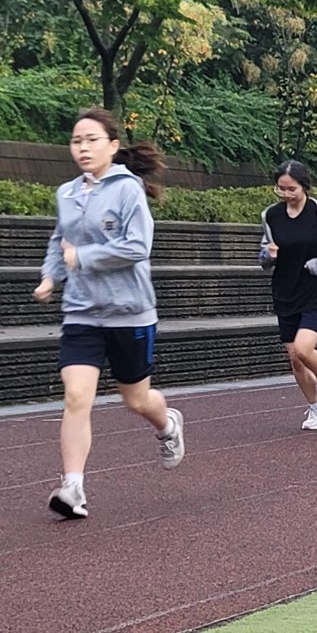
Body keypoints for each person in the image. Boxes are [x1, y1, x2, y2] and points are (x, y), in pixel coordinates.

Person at [33, 107, 184, 520]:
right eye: (76, 141)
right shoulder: (66, 193)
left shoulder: (128, 190)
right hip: (82, 313)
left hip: (129, 312)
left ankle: (167, 424)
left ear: (113, 146)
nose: (82, 148)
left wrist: (81, 257)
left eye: (91, 140)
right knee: (76, 396)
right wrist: (51, 276)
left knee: (136, 400)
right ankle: (73, 487)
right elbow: (58, 242)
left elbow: (137, 247)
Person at [259, 160, 317, 430]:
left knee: (303, 349)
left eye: (292, 189)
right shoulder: (271, 216)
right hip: (285, 291)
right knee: (295, 359)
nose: (286, 194)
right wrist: (268, 255)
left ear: (304, 186)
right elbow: (264, 255)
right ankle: (315, 408)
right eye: (281, 189)